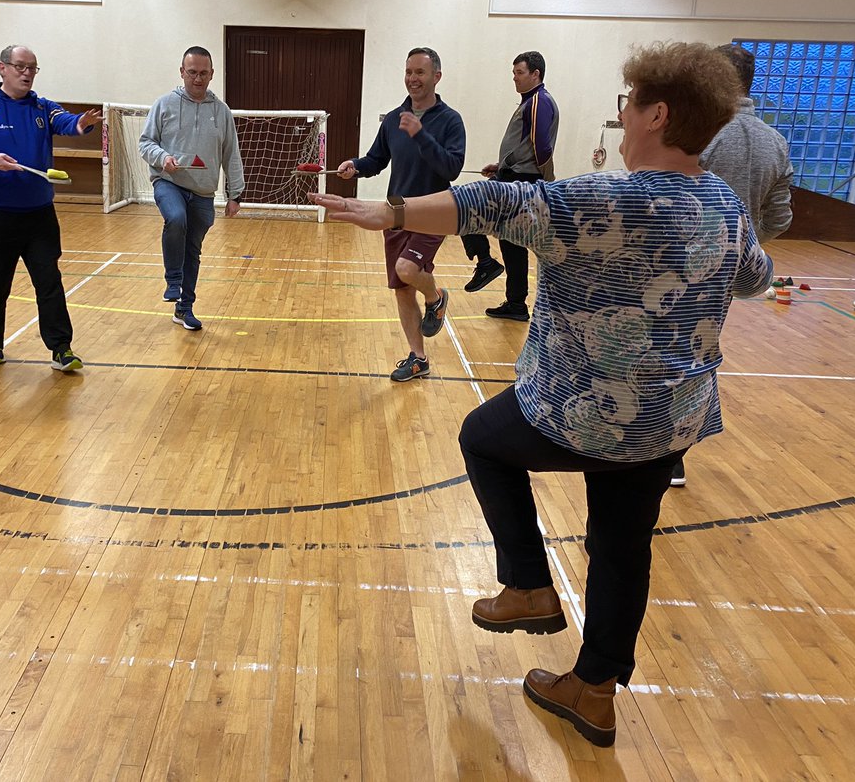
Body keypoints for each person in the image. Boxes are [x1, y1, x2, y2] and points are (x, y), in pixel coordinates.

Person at [310, 41, 773, 748]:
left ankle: (527, 584)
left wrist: (388, 212)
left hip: (584, 413)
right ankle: (594, 691)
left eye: (627, 105)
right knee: (623, 549)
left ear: (658, 113)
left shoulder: (602, 198)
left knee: (482, 439)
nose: (621, 117)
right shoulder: (724, 203)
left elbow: (494, 203)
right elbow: (752, 279)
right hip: (667, 424)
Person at [667, 44, 794, 488]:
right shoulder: (775, 142)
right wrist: (742, 250)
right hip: (727, 275)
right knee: (698, 349)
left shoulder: (698, 134)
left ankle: (660, 452)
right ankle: (669, 452)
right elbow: (780, 217)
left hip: (677, 265)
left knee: (669, 352)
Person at [0, 45, 99, 371]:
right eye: (20, 66)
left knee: (49, 283)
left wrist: (82, 124)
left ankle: (61, 349)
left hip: (40, 216)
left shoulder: (42, 107)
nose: (26, 73)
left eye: (32, 67)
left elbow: (67, 122)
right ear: (2, 68)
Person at [337, 47, 465, 382]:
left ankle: (436, 296)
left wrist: (421, 135)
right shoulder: (395, 118)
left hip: (432, 212)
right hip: (395, 211)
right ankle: (418, 358)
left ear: (436, 76)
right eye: (409, 71)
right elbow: (376, 159)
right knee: (402, 288)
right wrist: (356, 166)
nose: (412, 79)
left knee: (407, 269)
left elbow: (451, 168)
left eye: (420, 72)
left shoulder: (450, 121)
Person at [138, 46, 244, 332]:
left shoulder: (221, 112)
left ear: (212, 74)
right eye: (192, 72)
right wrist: (163, 158)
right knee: (175, 218)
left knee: (193, 250)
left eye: (203, 73)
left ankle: (184, 309)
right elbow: (145, 143)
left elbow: (231, 154)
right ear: (182, 72)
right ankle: (173, 281)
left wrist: (235, 194)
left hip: (203, 193)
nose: (198, 79)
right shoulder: (164, 104)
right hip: (169, 182)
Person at [476, 51, 559, 322]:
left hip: (522, 181)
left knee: (478, 213)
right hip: (514, 177)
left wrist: (541, 178)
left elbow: (542, 148)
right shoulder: (531, 101)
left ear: (536, 74)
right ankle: (515, 302)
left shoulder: (538, 102)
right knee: (511, 242)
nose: (515, 78)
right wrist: (501, 168)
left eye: (519, 73)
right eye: (513, 73)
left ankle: (491, 271)